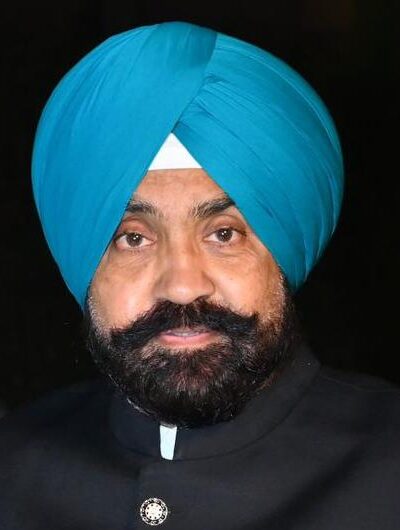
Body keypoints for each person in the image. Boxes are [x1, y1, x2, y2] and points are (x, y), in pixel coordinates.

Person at [0, 21, 399, 530]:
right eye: (133, 239)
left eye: (223, 234)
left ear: (284, 250)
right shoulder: (13, 468)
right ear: (82, 263)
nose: (184, 285)